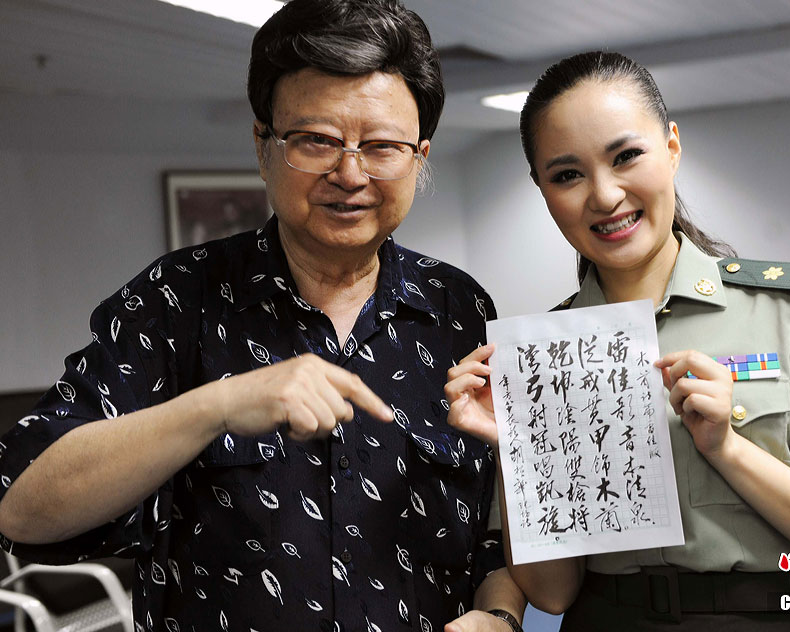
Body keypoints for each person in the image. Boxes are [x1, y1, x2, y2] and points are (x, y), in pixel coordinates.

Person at [0, 1, 525, 630]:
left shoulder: (459, 308)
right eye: (316, 141)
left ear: (419, 157)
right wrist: (215, 406)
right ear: (263, 146)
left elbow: (495, 525)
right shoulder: (177, 300)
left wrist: (501, 615)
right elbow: (20, 507)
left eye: (382, 147)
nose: (349, 173)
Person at [444, 51, 790, 630]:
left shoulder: (785, 310)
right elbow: (553, 595)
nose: (604, 196)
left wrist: (727, 448)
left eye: (626, 156)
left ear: (672, 147)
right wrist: (516, 450)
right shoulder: (543, 358)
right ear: (543, 190)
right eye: (567, 175)